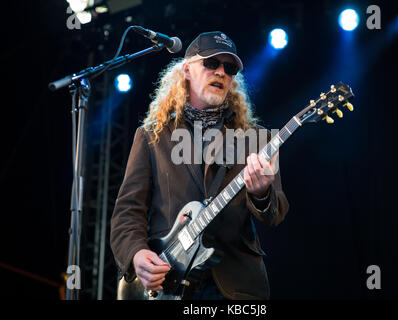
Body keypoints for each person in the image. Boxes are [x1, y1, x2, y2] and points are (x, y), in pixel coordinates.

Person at [110, 31, 289, 300]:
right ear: (187, 70)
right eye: (210, 63)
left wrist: (262, 193)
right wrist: (136, 253)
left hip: (234, 288)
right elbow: (127, 211)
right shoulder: (152, 136)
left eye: (229, 68)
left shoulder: (256, 139)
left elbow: (275, 214)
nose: (220, 72)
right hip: (166, 280)